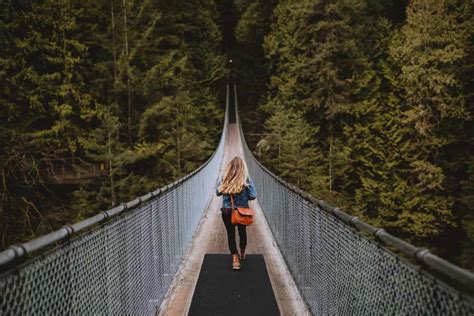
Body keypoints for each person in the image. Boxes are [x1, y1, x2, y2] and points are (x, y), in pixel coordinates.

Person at [216, 156, 257, 270]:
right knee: (242, 232)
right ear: (243, 167)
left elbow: (217, 193)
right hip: (242, 211)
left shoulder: (223, 177)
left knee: (230, 234)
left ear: (229, 167)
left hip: (227, 211)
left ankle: (235, 260)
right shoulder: (246, 178)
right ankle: (242, 253)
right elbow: (253, 195)